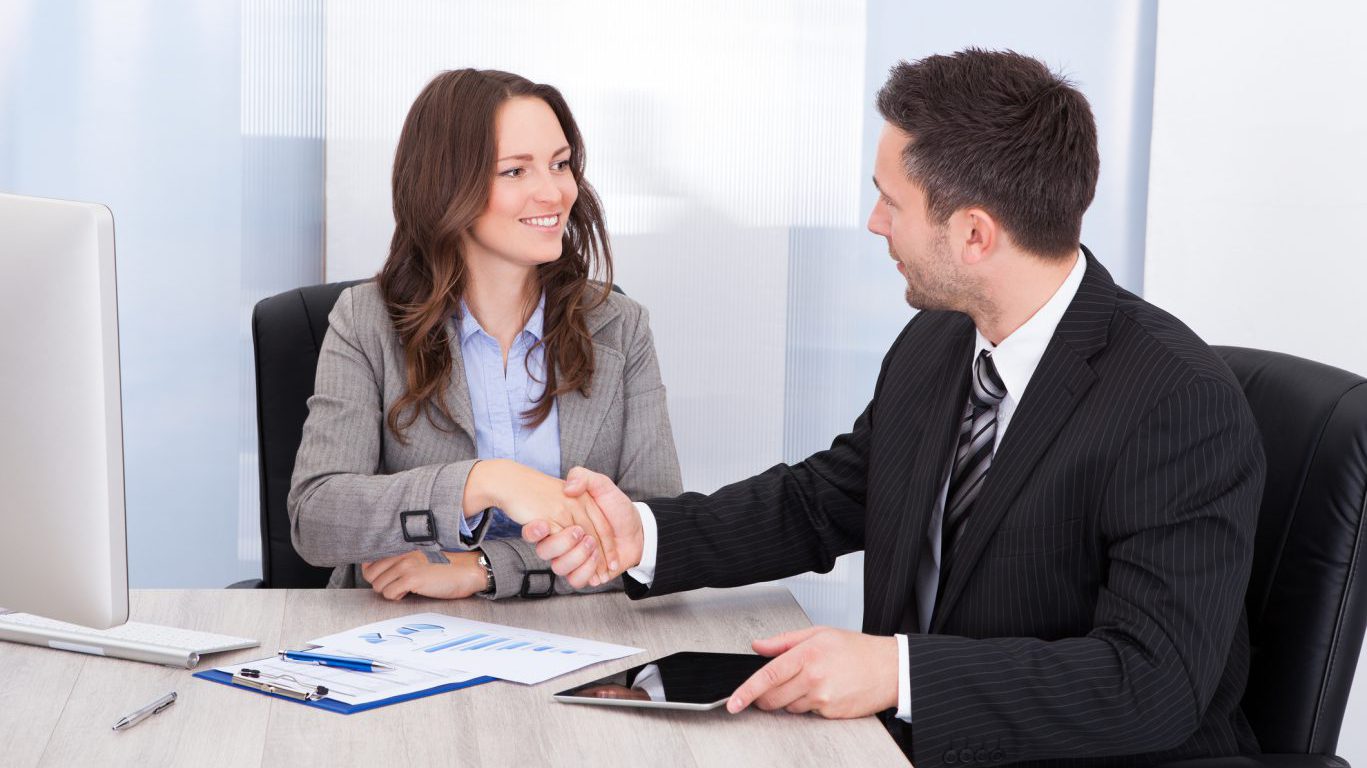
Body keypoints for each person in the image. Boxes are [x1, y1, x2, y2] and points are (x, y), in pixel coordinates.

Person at [526, 49, 1265, 766]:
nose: (875, 223)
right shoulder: (939, 341)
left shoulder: (1176, 403)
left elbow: (1153, 684)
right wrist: (644, 535)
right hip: (897, 745)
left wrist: (897, 674)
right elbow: (825, 500)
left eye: (890, 200)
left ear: (974, 233)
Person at [288, 68, 682, 601]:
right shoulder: (367, 320)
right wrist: (485, 482)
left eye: (560, 164)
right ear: (447, 185)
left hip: (581, 639)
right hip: (399, 633)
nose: (553, 192)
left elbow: (649, 530)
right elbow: (318, 516)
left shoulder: (620, 326)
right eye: (516, 171)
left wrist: (486, 566)